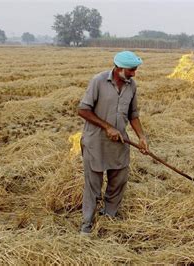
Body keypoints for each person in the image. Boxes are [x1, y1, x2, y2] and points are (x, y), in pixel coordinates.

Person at [77, 51, 149, 235]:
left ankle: (109, 216)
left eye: (135, 70)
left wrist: (141, 136)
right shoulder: (98, 81)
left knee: (119, 179)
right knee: (93, 185)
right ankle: (87, 225)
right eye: (131, 70)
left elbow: (133, 115)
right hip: (95, 142)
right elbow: (83, 110)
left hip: (119, 141)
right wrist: (107, 127)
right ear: (118, 68)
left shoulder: (131, 86)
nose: (134, 74)